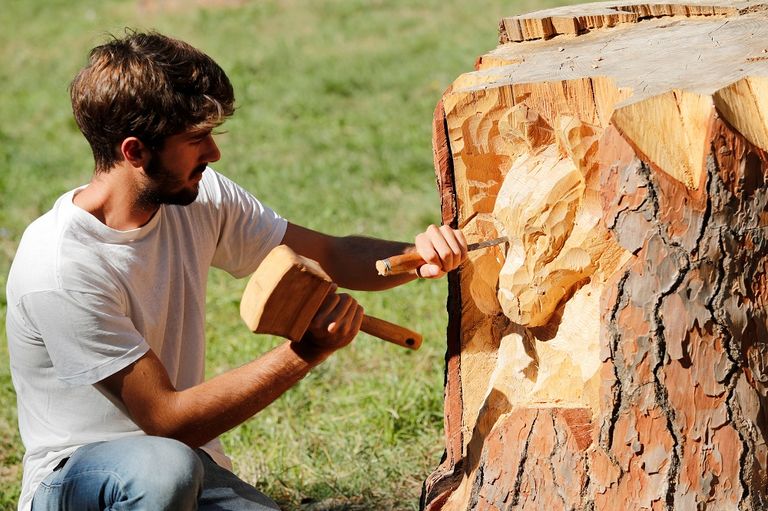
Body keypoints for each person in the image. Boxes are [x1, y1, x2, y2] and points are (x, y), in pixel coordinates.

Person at [5, 30, 468, 511]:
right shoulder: (61, 268)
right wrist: (304, 354)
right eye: (196, 139)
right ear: (135, 152)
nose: (214, 153)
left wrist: (418, 255)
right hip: (78, 479)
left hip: (187, 468)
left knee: (176, 470)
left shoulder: (200, 197)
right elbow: (166, 422)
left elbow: (330, 255)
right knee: (164, 469)